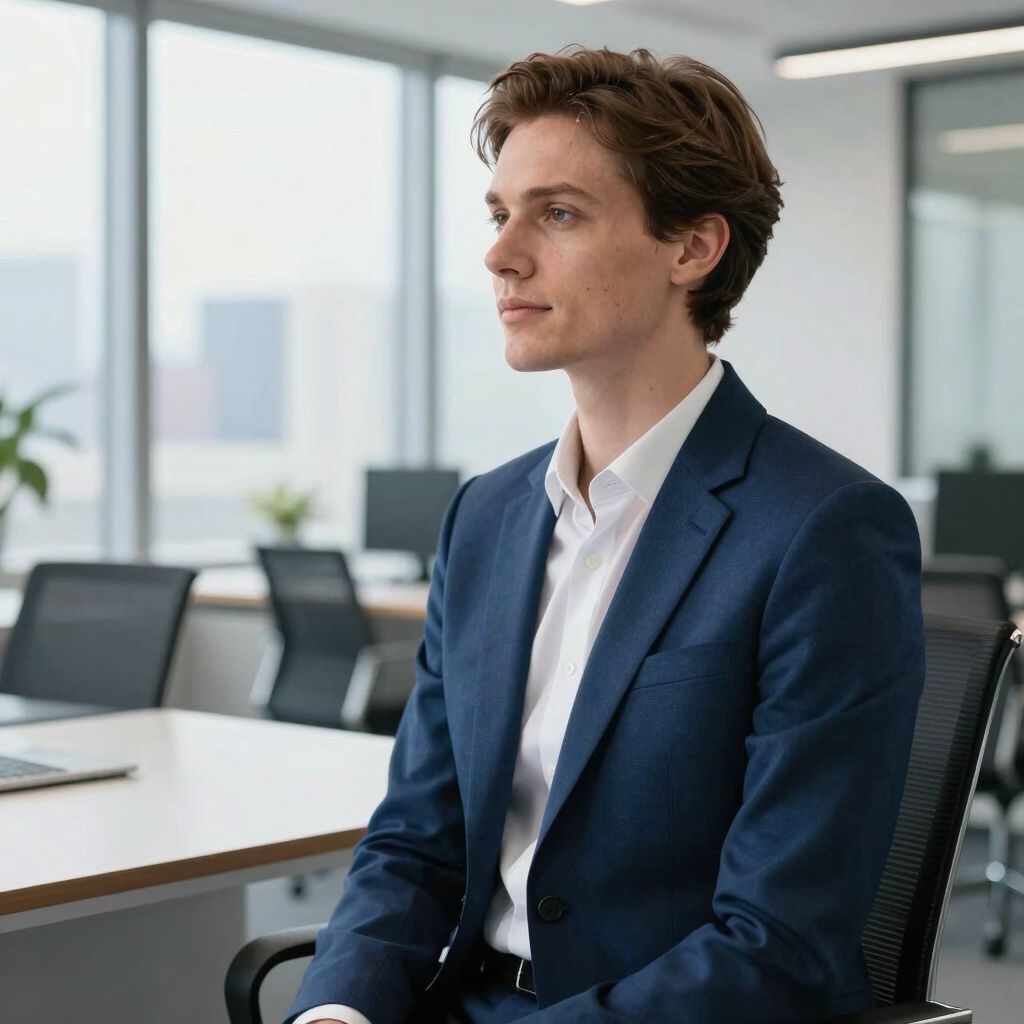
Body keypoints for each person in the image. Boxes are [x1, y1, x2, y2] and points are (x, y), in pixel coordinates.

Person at [288, 45, 924, 1024]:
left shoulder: (823, 530)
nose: (501, 252)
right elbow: (417, 838)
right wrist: (335, 1013)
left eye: (559, 214)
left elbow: (779, 940)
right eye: (499, 214)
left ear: (691, 248)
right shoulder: (488, 518)